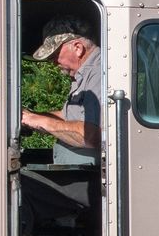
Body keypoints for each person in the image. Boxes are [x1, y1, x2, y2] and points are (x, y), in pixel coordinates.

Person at [22, 16, 101, 154]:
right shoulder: (82, 74)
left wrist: (39, 121)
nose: (53, 63)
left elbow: (91, 135)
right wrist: (28, 117)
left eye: (55, 55)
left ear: (78, 48)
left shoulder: (99, 73)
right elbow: (68, 117)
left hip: (89, 172)